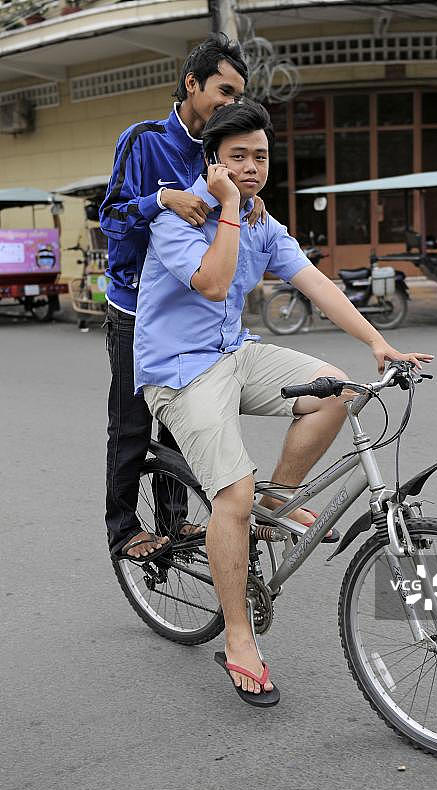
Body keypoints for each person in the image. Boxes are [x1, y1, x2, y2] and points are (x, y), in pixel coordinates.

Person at [133, 100, 434, 706]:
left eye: (260, 157)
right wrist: (224, 208)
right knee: (231, 495)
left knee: (340, 392)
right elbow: (214, 283)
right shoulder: (180, 217)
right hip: (180, 371)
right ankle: (240, 640)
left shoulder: (264, 224)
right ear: (213, 161)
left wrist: (379, 343)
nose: (251, 167)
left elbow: (317, 284)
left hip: (234, 353)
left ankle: (280, 499)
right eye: (237, 157)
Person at [99, 34, 266, 562]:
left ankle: (174, 521)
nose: (232, 103)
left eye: (240, 95)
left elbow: (225, 217)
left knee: (181, 423)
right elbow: (110, 218)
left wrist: (248, 205)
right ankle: (123, 530)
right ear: (192, 83)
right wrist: (161, 198)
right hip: (133, 308)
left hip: (188, 312)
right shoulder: (144, 139)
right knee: (131, 426)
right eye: (225, 90)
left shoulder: (216, 149)